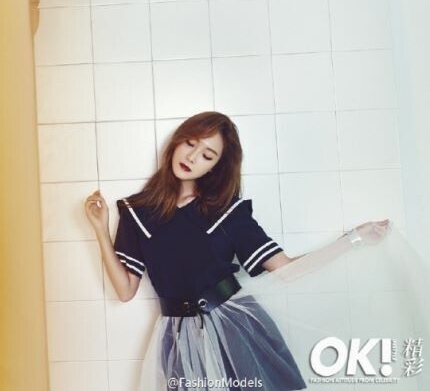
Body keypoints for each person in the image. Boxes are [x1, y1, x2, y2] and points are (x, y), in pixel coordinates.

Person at [85, 111, 392, 391]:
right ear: (177, 141)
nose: (192, 157)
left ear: (215, 167)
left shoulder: (228, 212)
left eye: (207, 155)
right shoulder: (136, 212)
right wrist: (100, 230)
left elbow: (286, 270)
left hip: (236, 329)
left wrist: (353, 239)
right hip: (177, 337)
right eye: (190, 143)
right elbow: (125, 291)